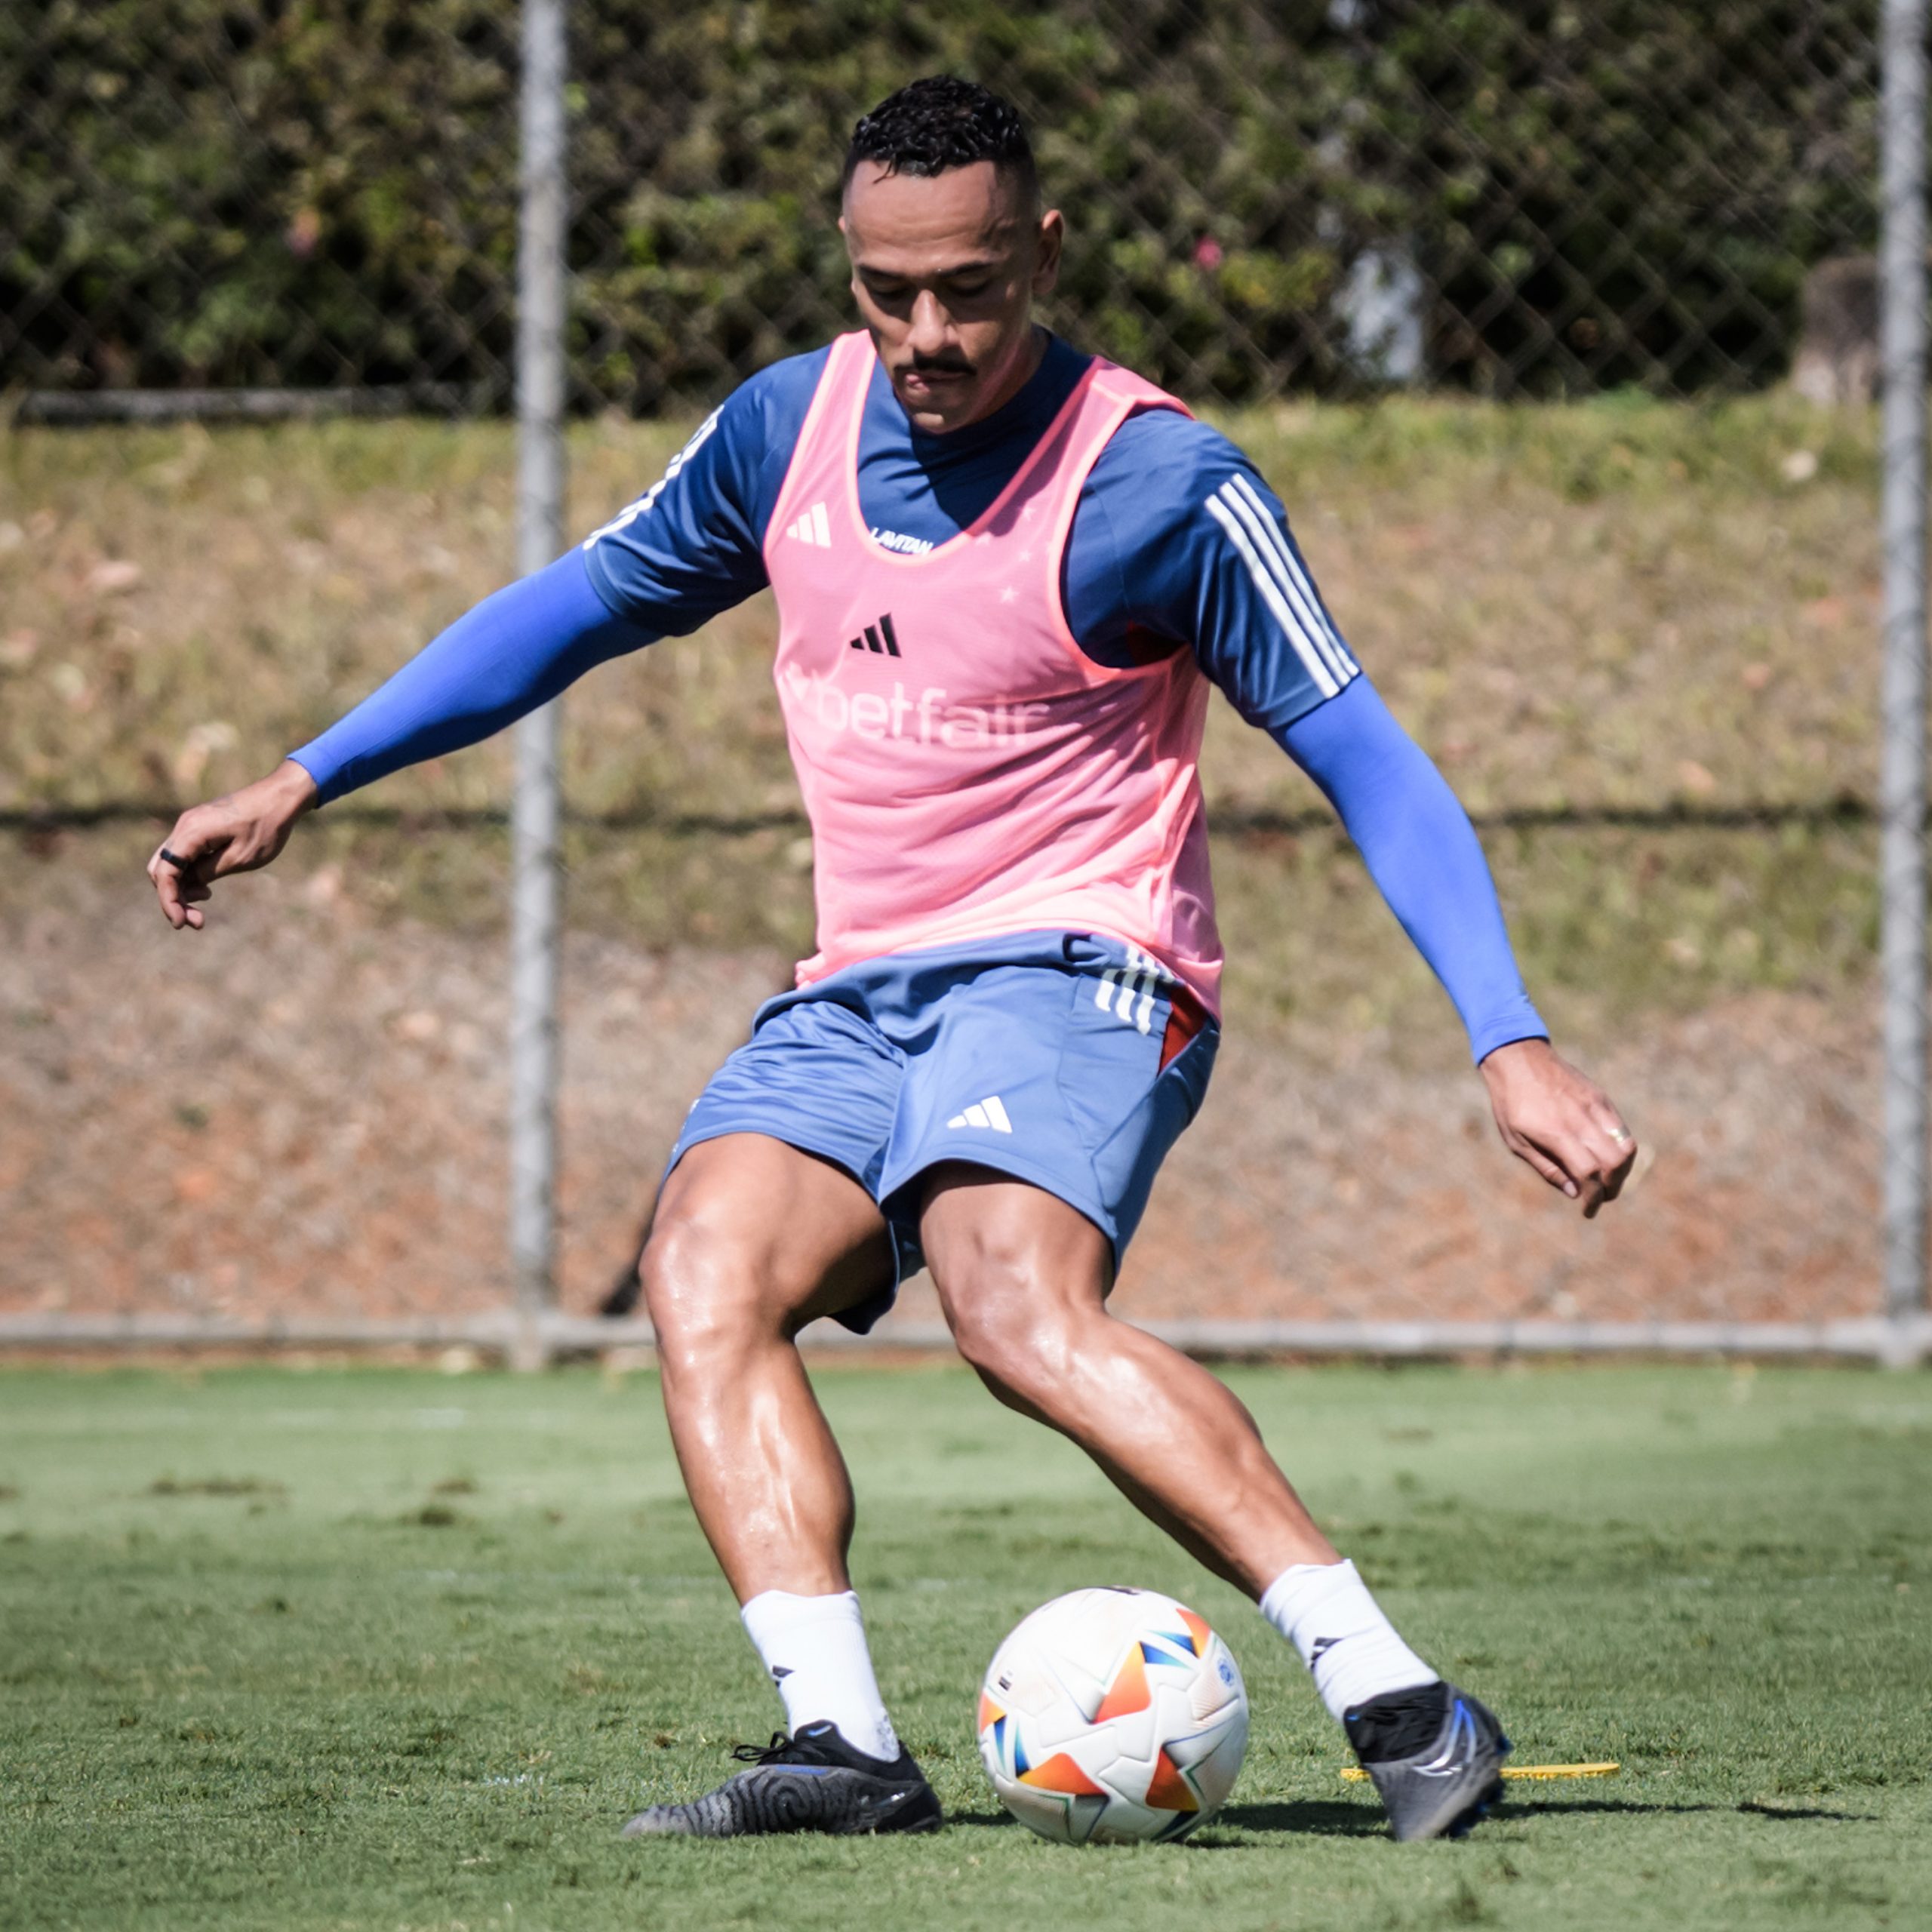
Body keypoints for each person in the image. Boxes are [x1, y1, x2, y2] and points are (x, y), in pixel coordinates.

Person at [147, 76, 1637, 1844]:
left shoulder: (1159, 481)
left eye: (972, 287)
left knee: (1007, 1301)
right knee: (704, 1267)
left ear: (1045, 250)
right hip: (857, 989)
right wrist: (310, 771)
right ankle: (843, 1746)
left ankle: (1394, 1694)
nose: (927, 333)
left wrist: (1506, 1032)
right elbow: (569, 607)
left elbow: (1365, 756)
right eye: (886, 291)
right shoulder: (785, 430)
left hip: (1085, 961)